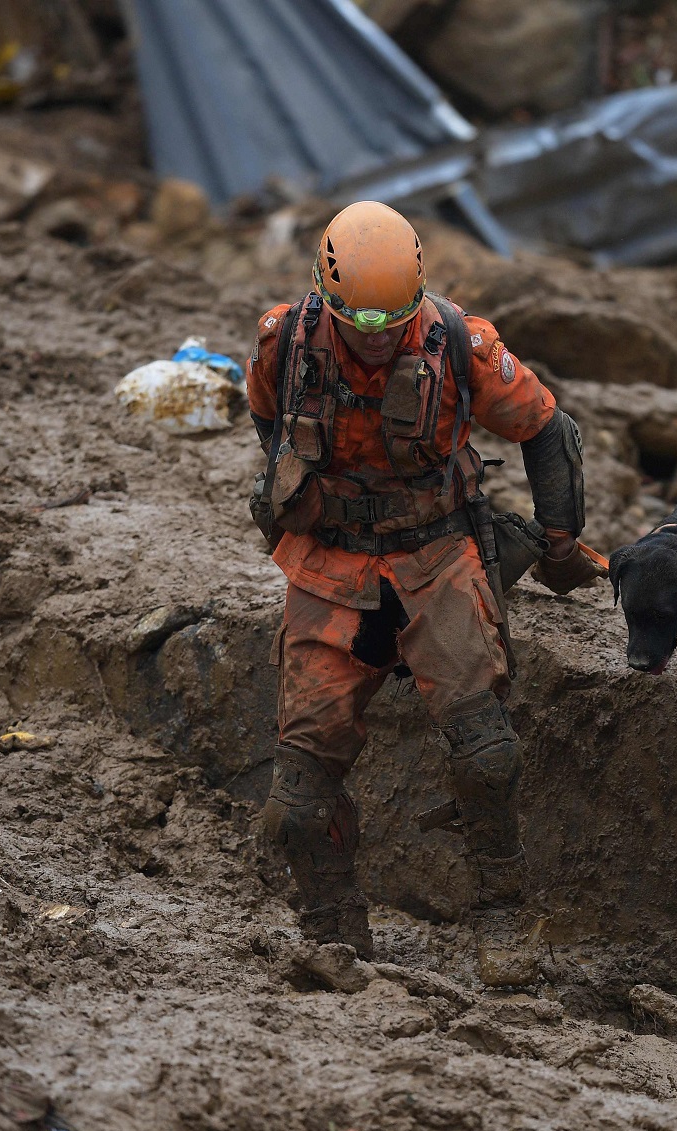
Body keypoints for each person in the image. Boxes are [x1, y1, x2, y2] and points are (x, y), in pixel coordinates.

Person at [245, 200, 603, 958]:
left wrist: (562, 543)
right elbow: (266, 421)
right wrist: (289, 489)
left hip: (437, 555)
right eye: (359, 327)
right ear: (325, 296)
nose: (374, 344)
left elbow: (549, 428)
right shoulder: (288, 342)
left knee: (486, 753)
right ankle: (333, 934)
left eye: (390, 325)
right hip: (331, 563)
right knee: (296, 803)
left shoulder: (459, 343)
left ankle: (503, 921)